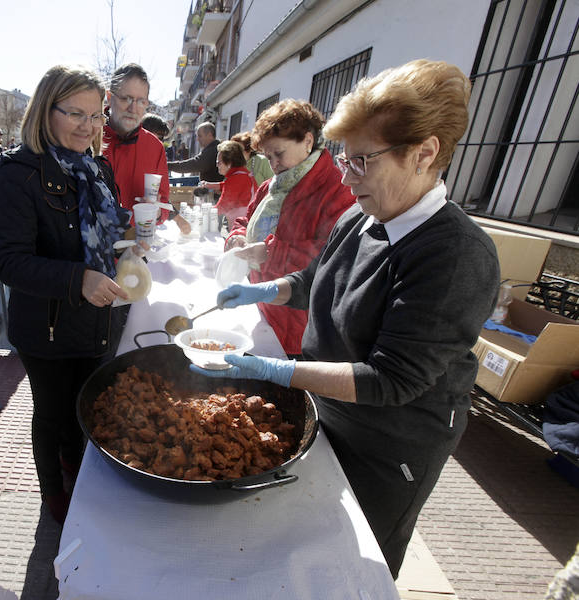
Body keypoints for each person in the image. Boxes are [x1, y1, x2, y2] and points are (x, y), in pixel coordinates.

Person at [197, 60, 501, 579]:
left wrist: (273, 371)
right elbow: (318, 279)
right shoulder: (361, 215)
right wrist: (265, 288)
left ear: (425, 154)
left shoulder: (455, 255)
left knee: (357, 564)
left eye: (362, 160)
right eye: (344, 157)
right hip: (330, 408)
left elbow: (392, 379)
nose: (346, 174)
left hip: (391, 444)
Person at [0, 64, 134, 525]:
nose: (88, 126)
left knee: (87, 407)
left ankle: (78, 471)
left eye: (96, 116)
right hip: (48, 328)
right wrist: (79, 279)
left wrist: (132, 242)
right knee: (52, 415)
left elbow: (106, 232)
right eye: (75, 113)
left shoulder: (98, 166)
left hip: (97, 319)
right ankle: (54, 495)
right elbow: (9, 262)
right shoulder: (20, 173)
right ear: (45, 110)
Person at [224, 99, 355, 356]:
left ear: (308, 141)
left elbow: (331, 259)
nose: (274, 164)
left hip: (299, 323)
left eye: (279, 153)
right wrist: (237, 236)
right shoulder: (272, 186)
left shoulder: (336, 190)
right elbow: (245, 219)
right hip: (264, 306)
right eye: (268, 156)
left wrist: (270, 252)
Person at [102, 63, 190, 233]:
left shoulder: (155, 147)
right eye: (125, 98)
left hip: (136, 249)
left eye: (141, 101)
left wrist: (156, 212)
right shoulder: (88, 137)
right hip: (90, 252)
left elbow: (163, 203)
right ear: (109, 96)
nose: (133, 108)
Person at [199, 140, 256, 226]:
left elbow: (222, 207)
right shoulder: (240, 174)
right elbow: (228, 186)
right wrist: (210, 185)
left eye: (219, 162)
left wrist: (202, 215)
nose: (217, 165)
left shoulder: (237, 178)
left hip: (243, 224)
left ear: (229, 163)